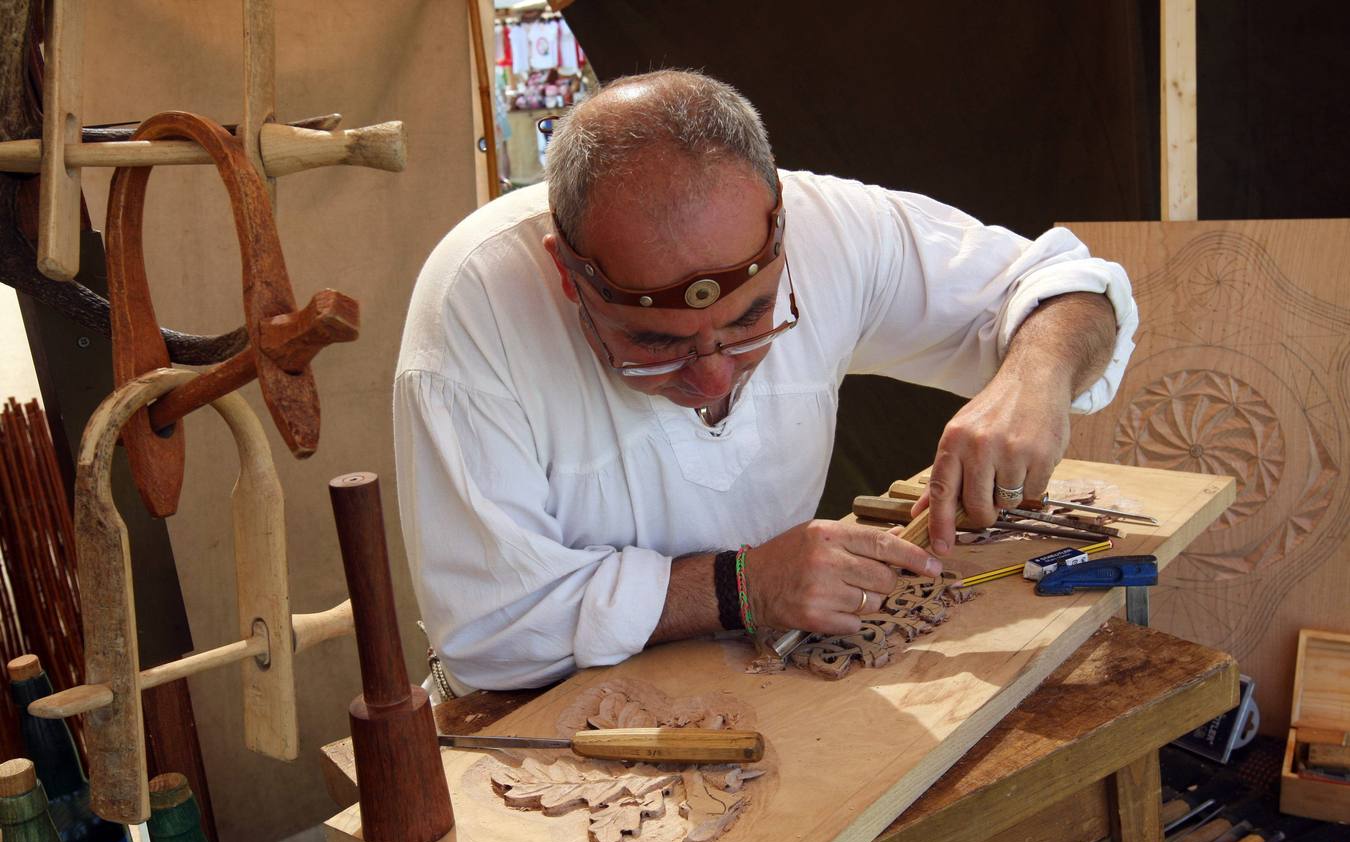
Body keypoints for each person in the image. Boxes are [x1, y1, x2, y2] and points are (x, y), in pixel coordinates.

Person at [395, 70, 1137, 694]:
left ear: (780, 228)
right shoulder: (478, 303)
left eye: (752, 320)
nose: (713, 373)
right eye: (655, 342)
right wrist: (737, 585)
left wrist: (1035, 375)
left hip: (765, 675)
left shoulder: (831, 226)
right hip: (548, 713)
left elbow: (1066, 286)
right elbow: (491, 628)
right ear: (567, 271)